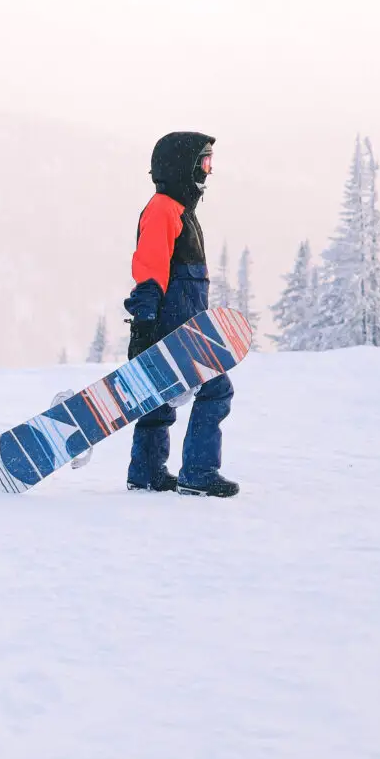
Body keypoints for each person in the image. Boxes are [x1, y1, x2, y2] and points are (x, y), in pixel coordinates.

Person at [123, 131, 238, 498]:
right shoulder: (163, 210)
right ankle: (198, 472)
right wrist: (144, 322)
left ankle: (146, 473)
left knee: (158, 397)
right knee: (217, 388)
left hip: (182, 323)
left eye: (210, 163)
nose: (208, 172)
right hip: (175, 328)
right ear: (181, 166)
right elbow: (150, 269)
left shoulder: (180, 211)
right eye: (203, 163)